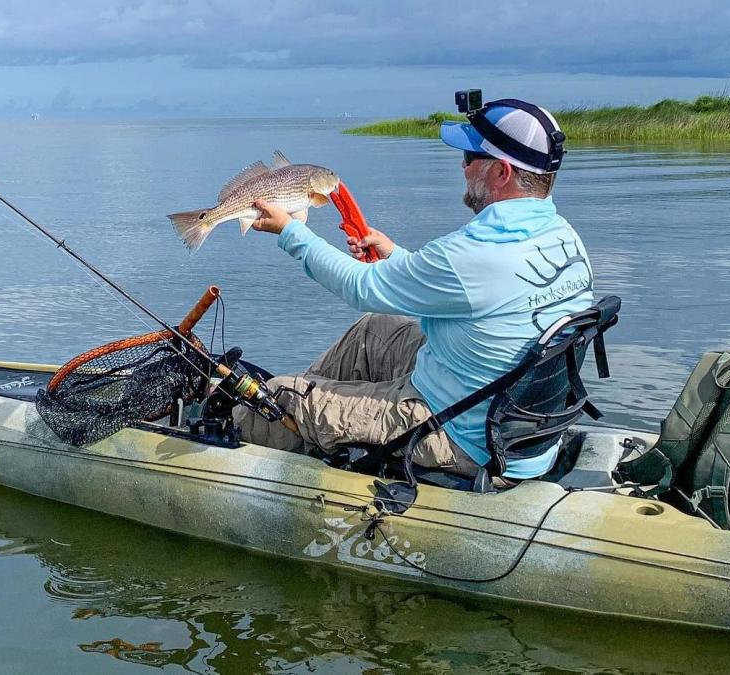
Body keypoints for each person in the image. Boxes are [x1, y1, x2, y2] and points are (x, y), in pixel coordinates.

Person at [234, 97, 594, 483]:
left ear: (502, 171)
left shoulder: (475, 253)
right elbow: (471, 292)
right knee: (374, 330)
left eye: (470, 156)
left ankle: (262, 429)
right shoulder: (563, 237)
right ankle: (308, 418)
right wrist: (394, 255)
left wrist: (290, 231)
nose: (462, 166)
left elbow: (360, 287)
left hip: (460, 437)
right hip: (511, 426)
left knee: (279, 396)